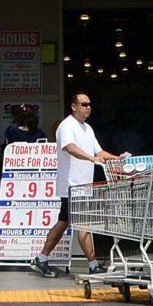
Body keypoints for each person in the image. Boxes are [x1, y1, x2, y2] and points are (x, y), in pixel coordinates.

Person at [30, 91, 126, 278]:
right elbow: (70, 147)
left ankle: (42, 258)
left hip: (83, 185)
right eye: (84, 104)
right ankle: (92, 265)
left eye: (89, 104)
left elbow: (99, 151)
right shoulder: (67, 126)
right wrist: (92, 158)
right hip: (72, 185)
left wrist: (117, 159)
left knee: (65, 222)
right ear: (74, 106)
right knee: (83, 224)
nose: (88, 107)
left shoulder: (87, 129)